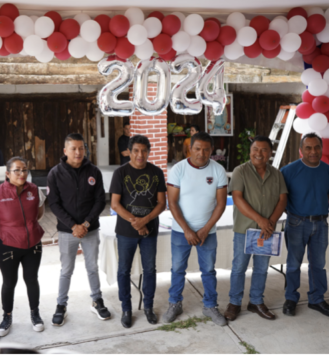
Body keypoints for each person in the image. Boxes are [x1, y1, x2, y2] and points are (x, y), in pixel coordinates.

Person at [164, 132, 229, 326]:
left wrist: (205, 229)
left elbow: (221, 204)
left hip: (207, 232)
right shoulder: (178, 169)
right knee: (177, 269)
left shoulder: (218, 170)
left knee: (208, 271)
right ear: (189, 149)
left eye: (206, 149)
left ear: (211, 150)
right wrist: (187, 230)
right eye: (197, 148)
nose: (201, 153)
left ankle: (210, 306)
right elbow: (172, 203)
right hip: (180, 231)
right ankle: (175, 303)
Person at [47, 133, 110, 326]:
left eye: (81, 148)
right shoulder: (55, 173)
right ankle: (61, 305)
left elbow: (100, 200)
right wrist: (74, 226)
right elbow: (54, 204)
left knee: (92, 267)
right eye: (73, 148)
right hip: (68, 231)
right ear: (65, 151)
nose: (78, 152)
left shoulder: (94, 172)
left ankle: (97, 300)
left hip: (90, 229)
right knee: (66, 269)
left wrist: (86, 224)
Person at [0, 156, 46, 336]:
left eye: (24, 169)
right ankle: (7, 316)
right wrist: (3, 231)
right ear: (7, 173)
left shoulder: (35, 190)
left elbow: (38, 214)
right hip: (7, 246)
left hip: (32, 244)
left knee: (32, 279)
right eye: (16, 170)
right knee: (9, 282)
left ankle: (35, 314)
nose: (21, 173)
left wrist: (28, 228)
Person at [226, 136, 287, 321]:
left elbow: (282, 199)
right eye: (256, 149)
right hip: (244, 230)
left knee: (261, 268)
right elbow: (237, 198)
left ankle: (256, 302)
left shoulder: (277, 174)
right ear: (250, 151)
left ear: (270, 153)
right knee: (239, 268)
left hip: (267, 232)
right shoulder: (240, 171)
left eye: (264, 150)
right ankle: (234, 303)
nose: (259, 153)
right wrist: (261, 220)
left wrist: (270, 223)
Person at [110, 135, 166, 328]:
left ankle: (148, 307)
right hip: (126, 231)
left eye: (144, 151)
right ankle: (126, 308)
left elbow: (161, 203)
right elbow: (115, 204)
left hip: (150, 230)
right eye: (136, 151)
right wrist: (136, 222)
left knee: (150, 270)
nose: (140, 155)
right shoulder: (120, 173)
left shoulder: (156, 172)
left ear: (149, 152)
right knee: (124, 271)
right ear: (130, 152)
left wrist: (145, 221)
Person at [279, 133, 329, 317]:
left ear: (321, 149)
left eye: (316, 147)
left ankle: (317, 299)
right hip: (296, 222)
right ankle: (291, 298)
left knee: (319, 264)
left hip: (321, 223)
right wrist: (293, 215)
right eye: (308, 147)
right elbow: (281, 199)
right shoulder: (289, 171)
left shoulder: (327, 170)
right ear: (301, 150)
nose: (313, 151)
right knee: (293, 263)